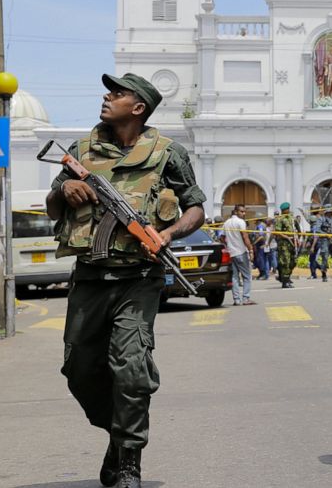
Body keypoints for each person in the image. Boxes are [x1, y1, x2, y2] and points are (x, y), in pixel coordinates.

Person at [46, 72, 206, 488]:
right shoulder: (82, 149)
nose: (107, 96)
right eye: (109, 90)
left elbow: (195, 207)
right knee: (79, 370)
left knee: (131, 369)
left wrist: (168, 235)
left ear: (138, 108)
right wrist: (67, 192)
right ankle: (118, 437)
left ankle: (130, 461)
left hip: (139, 277)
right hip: (90, 277)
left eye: (118, 93)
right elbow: (51, 206)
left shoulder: (168, 153)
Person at [224, 205, 256, 304]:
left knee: (235, 277)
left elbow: (222, 238)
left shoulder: (226, 223)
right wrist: (251, 249)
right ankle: (246, 298)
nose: (244, 213)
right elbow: (245, 236)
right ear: (236, 212)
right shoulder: (240, 222)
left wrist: (228, 245)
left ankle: (237, 299)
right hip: (240, 252)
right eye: (242, 212)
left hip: (231, 253)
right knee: (247, 276)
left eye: (244, 211)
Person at [311, 204, 332, 282]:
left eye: (330, 212)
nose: (330, 213)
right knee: (324, 258)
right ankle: (324, 274)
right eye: (328, 212)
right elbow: (317, 230)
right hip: (324, 241)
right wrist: (325, 234)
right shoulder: (321, 219)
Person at [273, 203, 297, 288]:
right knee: (285, 262)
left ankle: (285, 277)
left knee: (293, 262)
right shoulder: (279, 219)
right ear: (284, 210)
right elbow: (277, 232)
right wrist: (286, 237)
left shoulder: (291, 218)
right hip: (283, 244)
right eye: (288, 209)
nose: (289, 210)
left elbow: (296, 229)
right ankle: (285, 281)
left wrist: (297, 238)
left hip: (292, 243)